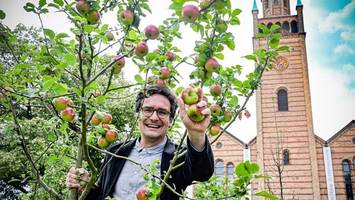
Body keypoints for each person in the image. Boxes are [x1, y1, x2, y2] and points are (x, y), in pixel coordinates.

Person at [66, 85, 214, 200]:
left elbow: (202, 172)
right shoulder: (115, 152)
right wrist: (85, 186)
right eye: (148, 110)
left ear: (170, 121)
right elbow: (102, 195)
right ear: (138, 115)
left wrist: (196, 133)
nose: (154, 117)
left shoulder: (178, 157)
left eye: (162, 112)